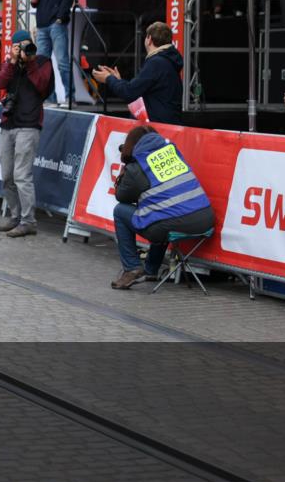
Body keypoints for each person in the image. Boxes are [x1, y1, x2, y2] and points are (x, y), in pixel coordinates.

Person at [110, 125, 215, 289]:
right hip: (205, 220)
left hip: (172, 223)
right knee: (160, 212)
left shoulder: (137, 167)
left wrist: (125, 171)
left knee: (120, 211)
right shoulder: (173, 153)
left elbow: (122, 197)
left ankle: (132, 268)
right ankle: (151, 269)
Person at [0, 31, 54, 237]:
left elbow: (42, 86)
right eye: (20, 46)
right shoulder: (10, 63)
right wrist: (12, 61)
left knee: (22, 175)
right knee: (6, 176)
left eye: (27, 45)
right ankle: (15, 215)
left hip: (29, 125)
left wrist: (29, 62)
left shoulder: (42, 61)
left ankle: (29, 221)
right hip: (8, 124)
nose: (25, 50)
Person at [92, 21, 184, 125]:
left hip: (159, 128)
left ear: (149, 39)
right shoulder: (167, 61)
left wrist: (109, 78)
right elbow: (137, 89)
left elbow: (129, 92)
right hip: (168, 125)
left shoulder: (156, 63)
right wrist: (118, 81)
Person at [31, 0, 74, 104]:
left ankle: (70, 97)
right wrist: (33, 1)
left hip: (56, 24)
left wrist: (60, 18)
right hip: (42, 26)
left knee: (62, 62)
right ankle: (49, 98)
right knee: (42, 65)